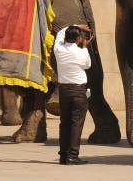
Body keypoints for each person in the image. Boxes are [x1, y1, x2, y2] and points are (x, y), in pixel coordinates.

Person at [54, 24, 94, 165]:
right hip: (78, 91)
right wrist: (85, 46)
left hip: (64, 90)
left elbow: (59, 32)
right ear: (78, 38)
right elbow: (88, 65)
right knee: (76, 123)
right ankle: (72, 155)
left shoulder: (59, 49)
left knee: (64, 122)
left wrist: (75, 26)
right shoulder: (81, 52)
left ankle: (63, 155)